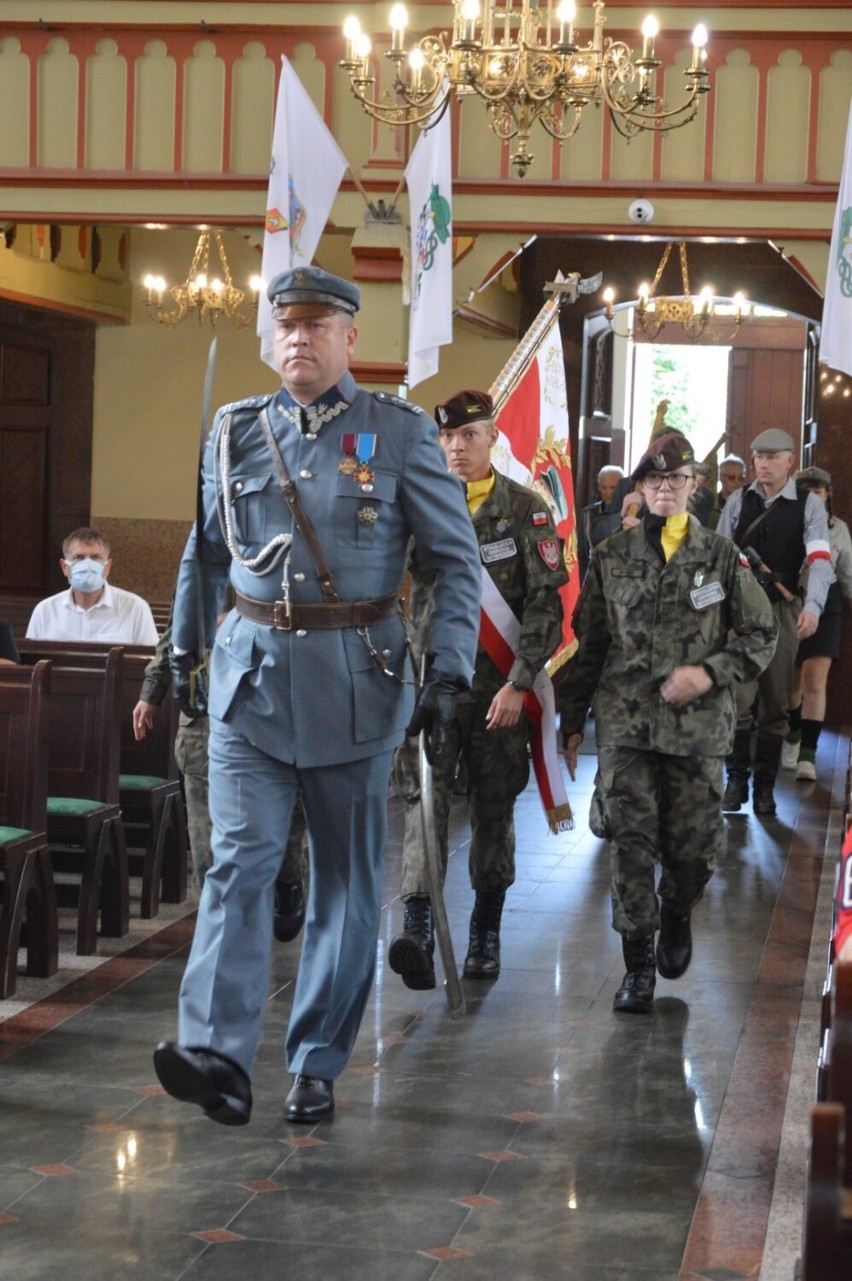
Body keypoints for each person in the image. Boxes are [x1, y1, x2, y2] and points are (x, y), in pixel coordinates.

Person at [153, 266, 480, 1127]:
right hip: (249, 683)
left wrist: (449, 670)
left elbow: (455, 563)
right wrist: (183, 647)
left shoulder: (399, 433)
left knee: (344, 883)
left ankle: (316, 1059)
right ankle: (216, 1052)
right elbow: (205, 555)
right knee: (238, 864)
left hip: (357, 688)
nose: (297, 337)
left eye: (316, 324)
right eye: (284, 324)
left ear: (349, 339)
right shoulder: (233, 432)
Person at [558, 432, 777, 1014]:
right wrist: (571, 718)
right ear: (640, 488)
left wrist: (708, 673)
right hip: (626, 723)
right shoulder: (611, 558)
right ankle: (637, 965)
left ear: (693, 488)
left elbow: (761, 634)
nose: (664, 489)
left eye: (675, 480)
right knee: (630, 841)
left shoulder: (723, 558)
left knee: (695, 848)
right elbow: (591, 642)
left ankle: (677, 910)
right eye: (653, 481)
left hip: (697, 728)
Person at [388, 390, 568, 990]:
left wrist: (520, 683)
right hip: (432, 686)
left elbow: (546, 606)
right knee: (425, 805)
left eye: (469, 436)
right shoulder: (420, 504)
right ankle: (416, 924)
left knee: (493, 809)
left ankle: (484, 932)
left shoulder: (526, 510)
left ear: (494, 439)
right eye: (448, 438)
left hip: (498, 692)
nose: (457, 447)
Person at [132, 607, 307, 928]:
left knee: (282, 815)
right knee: (206, 835)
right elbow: (175, 636)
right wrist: (151, 693)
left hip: (273, 707)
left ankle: (287, 875)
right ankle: (218, 919)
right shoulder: (200, 566)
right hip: (206, 714)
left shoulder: (283, 561)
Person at [716, 429, 832, 815]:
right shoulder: (738, 500)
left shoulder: (808, 505)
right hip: (741, 610)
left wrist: (813, 607)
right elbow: (720, 556)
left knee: (777, 701)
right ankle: (736, 782)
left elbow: (819, 560)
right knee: (738, 698)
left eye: (771, 457)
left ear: (790, 461)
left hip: (783, 609)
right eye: (757, 457)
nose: (762, 464)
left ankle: (765, 788)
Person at [780, 467, 852, 781]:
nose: (812, 497)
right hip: (791, 599)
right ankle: (794, 733)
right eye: (805, 491)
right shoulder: (785, 524)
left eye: (818, 491)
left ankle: (808, 755)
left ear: (828, 494)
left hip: (828, 601)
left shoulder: (839, 529)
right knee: (790, 686)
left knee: (814, 681)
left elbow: (847, 571)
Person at [26, 527, 159, 645]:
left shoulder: (135, 608)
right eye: (79, 558)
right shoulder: (45, 611)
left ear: (107, 567)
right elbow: (32, 662)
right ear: (64, 567)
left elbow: (151, 665)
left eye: (95, 557)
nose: (88, 565)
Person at [578, 464, 624, 572]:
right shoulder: (588, 513)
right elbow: (581, 555)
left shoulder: (632, 513)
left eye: (613, 488)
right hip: (596, 574)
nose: (608, 493)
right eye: (604, 487)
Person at [709, 453, 746, 528]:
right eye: (731, 477)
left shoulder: (749, 506)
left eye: (740, 478)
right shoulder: (710, 506)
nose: (737, 482)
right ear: (721, 477)